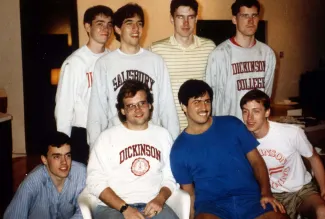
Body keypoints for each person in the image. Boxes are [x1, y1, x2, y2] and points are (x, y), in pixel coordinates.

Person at [170, 79, 287, 219]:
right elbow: (189, 194)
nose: (204, 107)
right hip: (212, 207)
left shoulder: (232, 124)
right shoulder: (179, 149)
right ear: (183, 106)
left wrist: (266, 193)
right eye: (197, 102)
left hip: (251, 201)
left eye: (207, 101)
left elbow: (257, 161)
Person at [87, 3, 179, 147]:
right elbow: (96, 112)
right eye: (129, 23)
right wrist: (94, 149)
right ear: (117, 29)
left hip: (151, 138)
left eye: (139, 24)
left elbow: (167, 107)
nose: (136, 29)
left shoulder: (156, 61)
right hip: (118, 140)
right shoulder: (104, 63)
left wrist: (174, 143)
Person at [87, 79, 179, 219]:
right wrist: (125, 208)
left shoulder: (163, 135)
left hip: (153, 205)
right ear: (123, 110)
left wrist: (159, 200)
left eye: (142, 103)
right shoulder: (106, 138)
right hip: (114, 209)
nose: (138, 109)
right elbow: (94, 181)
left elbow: (170, 177)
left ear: (150, 105)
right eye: (131, 106)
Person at [240, 89, 325, 219]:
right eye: (245, 112)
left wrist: (324, 188)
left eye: (256, 111)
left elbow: (313, 158)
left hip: (301, 190)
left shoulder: (291, 133)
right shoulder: (242, 139)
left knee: (322, 211)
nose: (249, 118)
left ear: (267, 112)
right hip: (271, 195)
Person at [55, 5, 114, 164]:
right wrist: (63, 148)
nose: (105, 29)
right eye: (100, 23)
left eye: (109, 24)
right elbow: (63, 108)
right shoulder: (74, 63)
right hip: (82, 134)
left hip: (108, 131)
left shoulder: (113, 58)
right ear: (88, 26)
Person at [149, 0, 215, 131]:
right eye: (180, 17)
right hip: (168, 128)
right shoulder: (156, 50)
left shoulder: (209, 47)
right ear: (171, 19)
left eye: (190, 17)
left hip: (201, 126)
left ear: (196, 18)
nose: (186, 23)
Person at [205, 0, 276, 121]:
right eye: (244, 16)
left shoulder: (267, 54)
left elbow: (266, 96)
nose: (250, 21)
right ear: (234, 19)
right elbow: (211, 98)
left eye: (254, 15)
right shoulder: (220, 54)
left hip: (256, 128)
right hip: (229, 128)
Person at [4, 132, 86, 219]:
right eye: (57, 157)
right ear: (44, 160)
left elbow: (85, 213)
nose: (64, 162)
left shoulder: (80, 173)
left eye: (68, 155)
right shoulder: (32, 183)